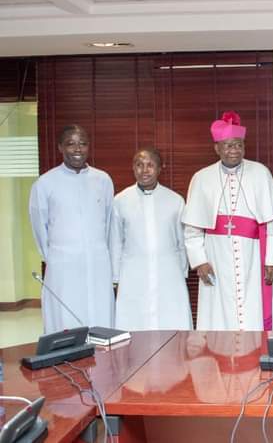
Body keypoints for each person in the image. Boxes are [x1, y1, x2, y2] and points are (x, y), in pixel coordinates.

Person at [182, 111, 273, 331]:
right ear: (217, 148)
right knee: (218, 312)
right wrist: (199, 261)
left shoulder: (260, 173)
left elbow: (272, 222)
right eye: (228, 145)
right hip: (216, 254)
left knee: (253, 308)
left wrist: (271, 259)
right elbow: (192, 229)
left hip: (253, 255)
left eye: (238, 145)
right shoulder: (201, 177)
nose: (234, 150)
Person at [29, 124, 114, 332]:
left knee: (99, 318)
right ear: (60, 147)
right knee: (65, 321)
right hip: (62, 267)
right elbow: (39, 227)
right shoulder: (45, 183)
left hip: (97, 264)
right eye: (71, 144)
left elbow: (110, 223)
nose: (78, 149)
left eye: (83, 144)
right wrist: (55, 257)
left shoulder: (102, 180)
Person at [110, 148, 193, 331]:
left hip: (169, 274)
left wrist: (181, 272)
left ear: (159, 168)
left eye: (150, 165)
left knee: (171, 321)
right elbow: (116, 242)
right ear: (133, 168)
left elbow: (182, 242)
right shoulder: (120, 200)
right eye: (139, 165)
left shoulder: (175, 200)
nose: (144, 170)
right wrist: (116, 277)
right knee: (134, 323)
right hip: (132, 274)